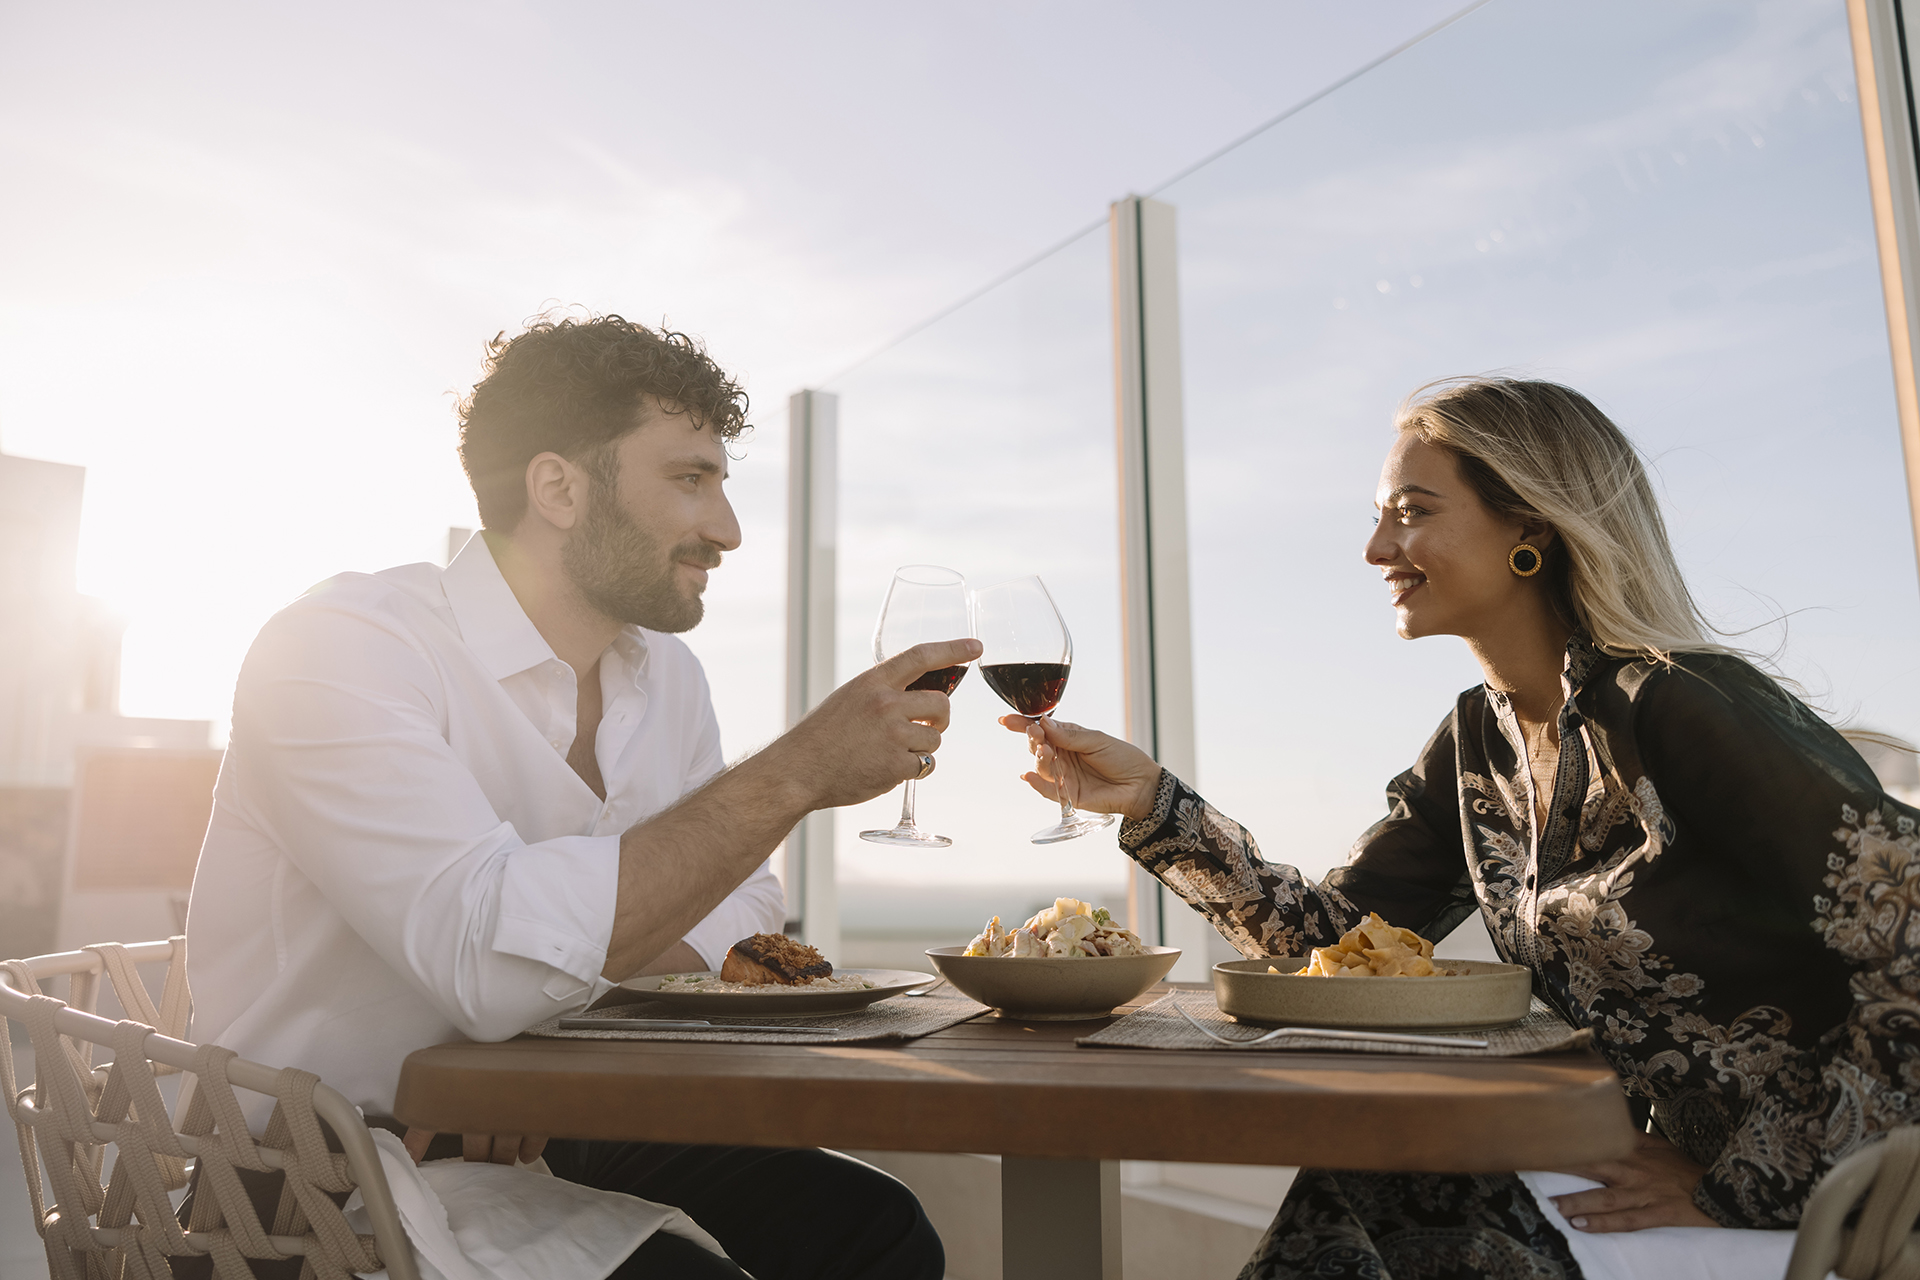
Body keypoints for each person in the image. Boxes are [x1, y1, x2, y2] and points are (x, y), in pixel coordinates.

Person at [1006, 377, 1920, 1279]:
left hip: (1835, 1210)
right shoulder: (1480, 740)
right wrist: (1156, 806)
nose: (1375, 548)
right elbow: (1336, 951)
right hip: (1658, 1178)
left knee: (1413, 1215)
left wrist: (1750, 1185)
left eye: (1411, 511)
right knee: (1375, 1174)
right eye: (1379, 514)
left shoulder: (1683, 705)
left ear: (1531, 524)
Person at [185, 313, 963, 1278]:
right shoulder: (342, 647)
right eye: (690, 480)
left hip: (554, 1124)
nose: (726, 529)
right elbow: (490, 964)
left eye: (723, 484)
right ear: (558, 486)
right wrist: (797, 770)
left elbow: (747, 915)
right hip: (319, 1171)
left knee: (873, 1233)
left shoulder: (669, 679)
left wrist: (549, 1044)